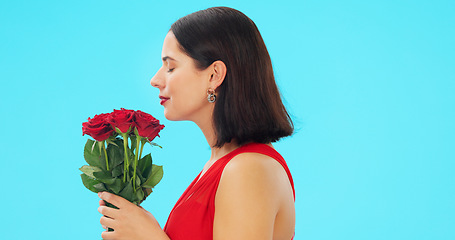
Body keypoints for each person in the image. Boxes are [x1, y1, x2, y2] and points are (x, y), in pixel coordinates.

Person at [97, 6, 295, 240]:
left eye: (170, 67)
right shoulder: (220, 164)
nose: (155, 80)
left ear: (214, 75)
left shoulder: (248, 169)